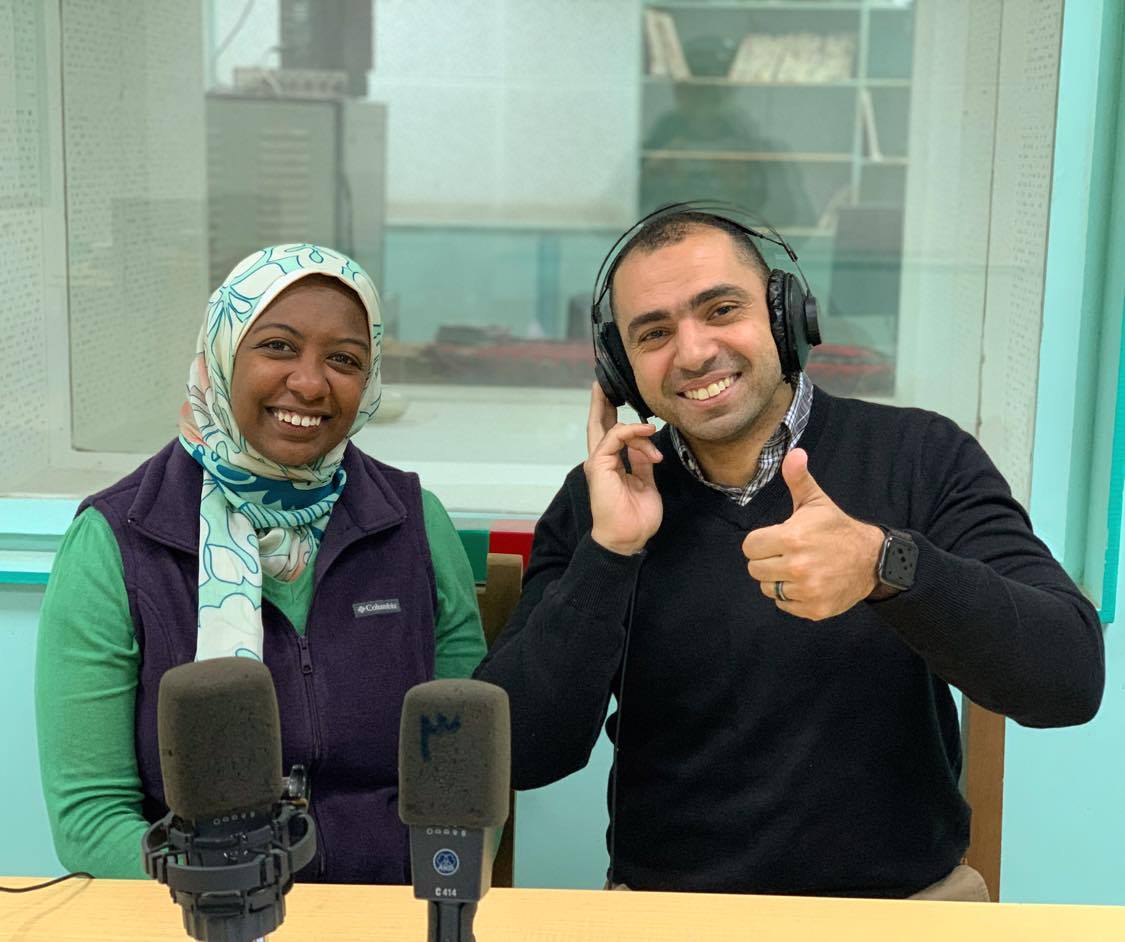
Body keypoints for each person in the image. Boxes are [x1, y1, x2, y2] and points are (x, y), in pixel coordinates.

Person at [475, 207, 1105, 900]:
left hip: (903, 911)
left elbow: (1067, 680)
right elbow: (519, 754)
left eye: (721, 310)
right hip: (668, 912)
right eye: (653, 333)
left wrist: (883, 566)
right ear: (619, 369)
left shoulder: (921, 456)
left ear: (786, 316)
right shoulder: (601, 499)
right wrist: (610, 553)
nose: (692, 353)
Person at [36, 243, 486, 884]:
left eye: (344, 359)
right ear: (222, 353)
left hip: (391, 906)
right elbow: (91, 820)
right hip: (199, 911)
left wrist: (433, 892)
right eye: (278, 346)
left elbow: (464, 776)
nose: (309, 382)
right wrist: (232, 901)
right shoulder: (117, 540)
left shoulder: (413, 523)